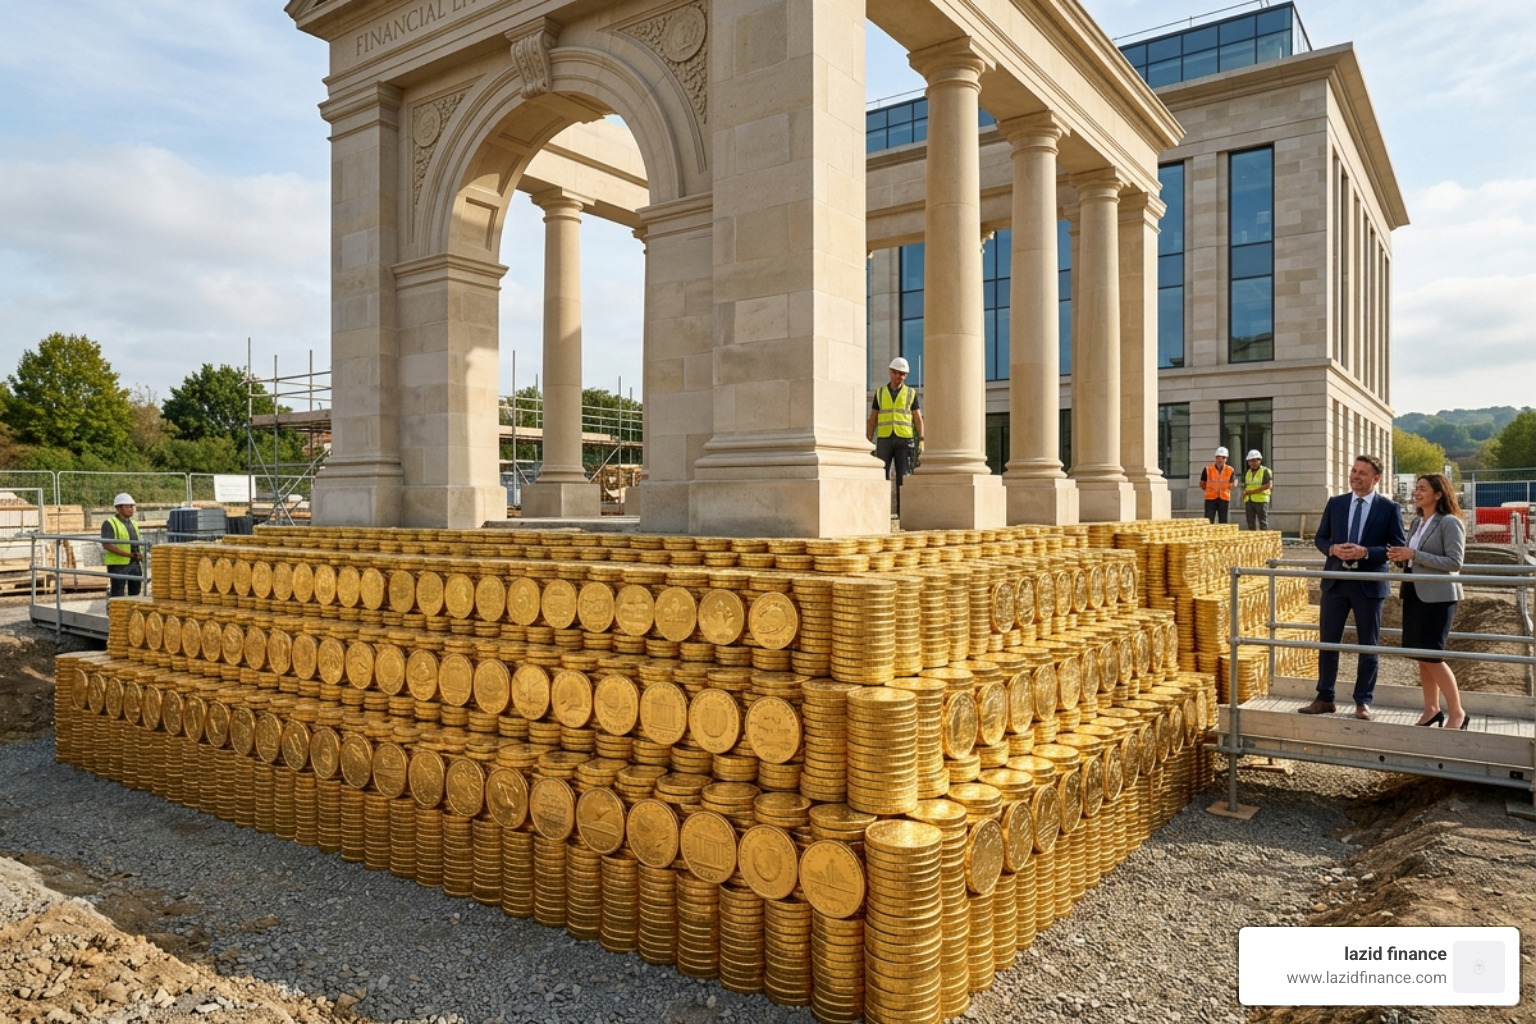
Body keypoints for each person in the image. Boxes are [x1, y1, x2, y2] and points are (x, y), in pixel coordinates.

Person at [1299, 454, 1407, 720]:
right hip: (1335, 583)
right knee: (1328, 643)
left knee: (1368, 646)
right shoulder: (1336, 504)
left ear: (1376, 479)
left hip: (1369, 586)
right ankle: (1324, 698)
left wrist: (1366, 553)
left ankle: (1363, 702)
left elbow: (1396, 548)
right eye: (1353, 471)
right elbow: (1321, 538)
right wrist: (1332, 548)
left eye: (1362, 473)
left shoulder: (1388, 508)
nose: (1355, 476)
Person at [1387, 474, 1469, 729]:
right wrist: (1402, 558)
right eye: (1416, 489)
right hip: (1414, 592)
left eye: (1422, 489)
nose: (1416, 493)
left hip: (1439, 597)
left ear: (1438, 494)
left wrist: (1414, 554)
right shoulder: (1416, 522)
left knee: (1433, 655)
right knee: (1421, 655)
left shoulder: (1450, 522)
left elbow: (1454, 562)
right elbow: (1416, 558)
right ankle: (1432, 709)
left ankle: (1457, 713)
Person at [866, 356, 924, 515]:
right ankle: (880, 512)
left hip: (904, 441)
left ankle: (902, 513)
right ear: (890, 372)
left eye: (903, 374)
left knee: (903, 478)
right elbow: (873, 418)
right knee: (881, 475)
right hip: (884, 439)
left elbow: (918, 418)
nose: (899, 377)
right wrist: (869, 440)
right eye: (897, 373)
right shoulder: (880, 393)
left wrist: (922, 439)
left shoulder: (911, 393)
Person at [100, 493, 143, 598]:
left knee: (135, 593)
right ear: (118, 508)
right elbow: (107, 545)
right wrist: (129, 555)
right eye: (128, 506)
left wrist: (140, 555)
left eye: (132, 506)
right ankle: (115, 612)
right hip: (118, 565)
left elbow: (138, 542)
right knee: (118, 594)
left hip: (134, 563)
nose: (132, 509)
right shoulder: (110, 523)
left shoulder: (133, 523)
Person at [1199, 447, 1235, 523]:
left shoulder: (1230, 470)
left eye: (1223, 458)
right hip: (1210, 498)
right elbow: (1202, 483)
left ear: (1226, 459)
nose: (1220, 460)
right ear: (1215, 458)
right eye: (1218, 457)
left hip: (1224, 498)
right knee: (1208, 520)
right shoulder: (1208, 469)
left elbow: (1231, 485)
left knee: (1223, 521)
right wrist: (1210, 490)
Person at [1241, 449, 1273, 530]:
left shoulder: (1265, 471)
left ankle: (1264, 540)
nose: (1253, 463)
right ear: (1248, 462)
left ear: (1260, 461)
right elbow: (1246, 485)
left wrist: (1250, 492)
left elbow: (1268, 485)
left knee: (1263, 522)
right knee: (1250, 522)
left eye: (1255, 461)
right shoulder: (1247, 472)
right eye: (1251, 461)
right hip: (1249, 500)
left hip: (1261, 500)